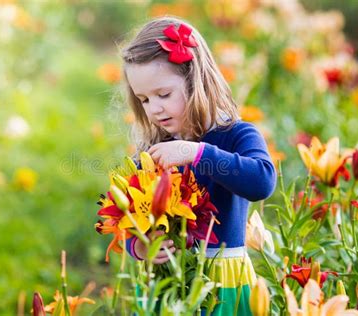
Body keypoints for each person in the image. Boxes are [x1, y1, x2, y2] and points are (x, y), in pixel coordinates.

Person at [119, 16, 276, 315]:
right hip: (167, 287)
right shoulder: (153, 152)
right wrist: (141, 247)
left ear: (196, 80)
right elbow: (129, 218)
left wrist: (197, 153)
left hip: (221, 283)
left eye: (163, 94)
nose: (155, 108)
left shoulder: (236, 136)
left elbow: (262, 182)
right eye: (144, 100)